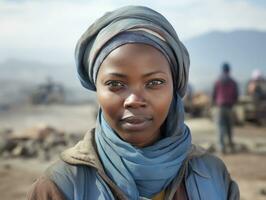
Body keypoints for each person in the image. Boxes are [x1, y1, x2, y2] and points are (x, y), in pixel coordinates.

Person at [27, 6, 239, 200]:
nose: (134, 101)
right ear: (97, 90)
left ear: (175, 87)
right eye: (115, 84)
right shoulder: (59, 187)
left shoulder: (213, 176)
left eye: (154, 82)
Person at [212, 63, 238, 154]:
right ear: (229, 70)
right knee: (229, 127)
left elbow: (214, 95)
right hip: (229, 107)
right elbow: (236, 95)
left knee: (220, 127)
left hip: (220, 107)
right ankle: (231, 146)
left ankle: (222, 148)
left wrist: (214, 103)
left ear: (222, 70)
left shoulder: (217, 81)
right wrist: (233, 103)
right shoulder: (233, 82)